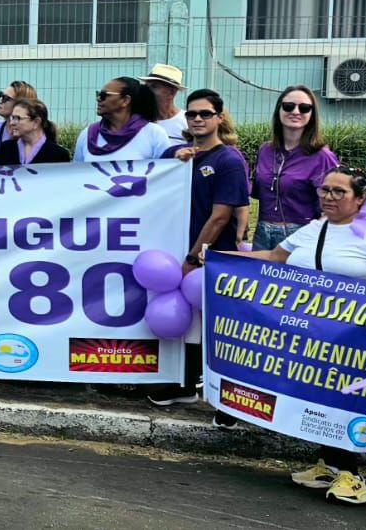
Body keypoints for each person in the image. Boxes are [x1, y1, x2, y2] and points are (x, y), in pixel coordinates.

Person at [234, 168, 366, 505]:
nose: (328, 197)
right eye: (324, 190)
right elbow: (274, 259)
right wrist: (219, 259)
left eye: (338, 192)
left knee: (345, 402)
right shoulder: (313, 229)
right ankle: (330, 464)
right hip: (315, 338)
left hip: (358, 341)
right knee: (319, 399)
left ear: (361, 198)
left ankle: (352, 477)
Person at [151, 89, 249, 407]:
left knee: (210, 321)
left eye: (205, 114)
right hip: (173, 249)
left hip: (209, 254)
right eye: (191, 114)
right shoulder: (178, 154)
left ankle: (214, 390)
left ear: (219, 118)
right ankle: (184, 382)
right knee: (185, 321)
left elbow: (220, 217)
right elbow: (151, 182)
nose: (197, 119)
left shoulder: (229, 159)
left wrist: (194, 257)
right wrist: (174, 162)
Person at [251, 86, 339, 250]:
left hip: (300, 233)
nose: (296, 111)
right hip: (262, 231)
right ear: (279, 110)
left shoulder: (322, 156)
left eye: (304, 108)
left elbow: (337, 203)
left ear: (312, 114)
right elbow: (257, 191)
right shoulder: (265, 150)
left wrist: (314, 232)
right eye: (289, 106)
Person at [74, 76, 172, 162]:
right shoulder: (87, 134)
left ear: (125, 100)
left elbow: (167, 174)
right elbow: (77, 174)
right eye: (98, 94)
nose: (98, 99)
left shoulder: (154, 134)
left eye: (104, 95)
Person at [0, 98, 71, 166]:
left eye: (18, 118)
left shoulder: (58, 155)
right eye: (13, 117)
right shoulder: (5, 149)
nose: (12, 123)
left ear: (36, 122)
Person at [142, 63, 188, 145]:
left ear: (172, 92)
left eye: (154, 86)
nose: (146, 91)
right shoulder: (138, 121)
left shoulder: (187, 121)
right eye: (146, 86)